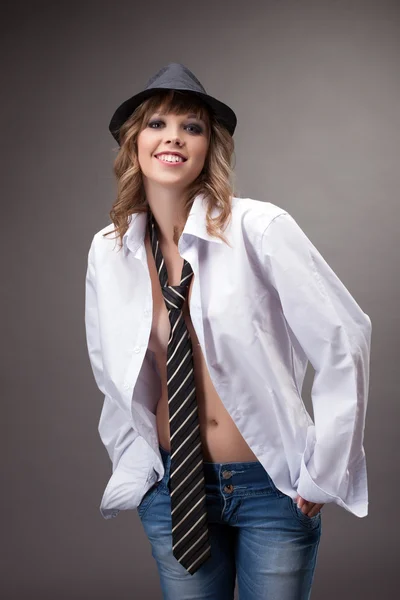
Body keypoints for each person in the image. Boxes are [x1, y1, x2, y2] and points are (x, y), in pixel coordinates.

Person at [84, 63, 372, 599]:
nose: (173, 136)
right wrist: (138, 467)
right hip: (175, 490)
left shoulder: (258, 228)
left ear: (208, 146)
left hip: (272, 488)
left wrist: (322, 471)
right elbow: (111, 372)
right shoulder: (110, 249)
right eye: (157, 124)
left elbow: (344, 339)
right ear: (134, 143)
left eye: (191, 126)